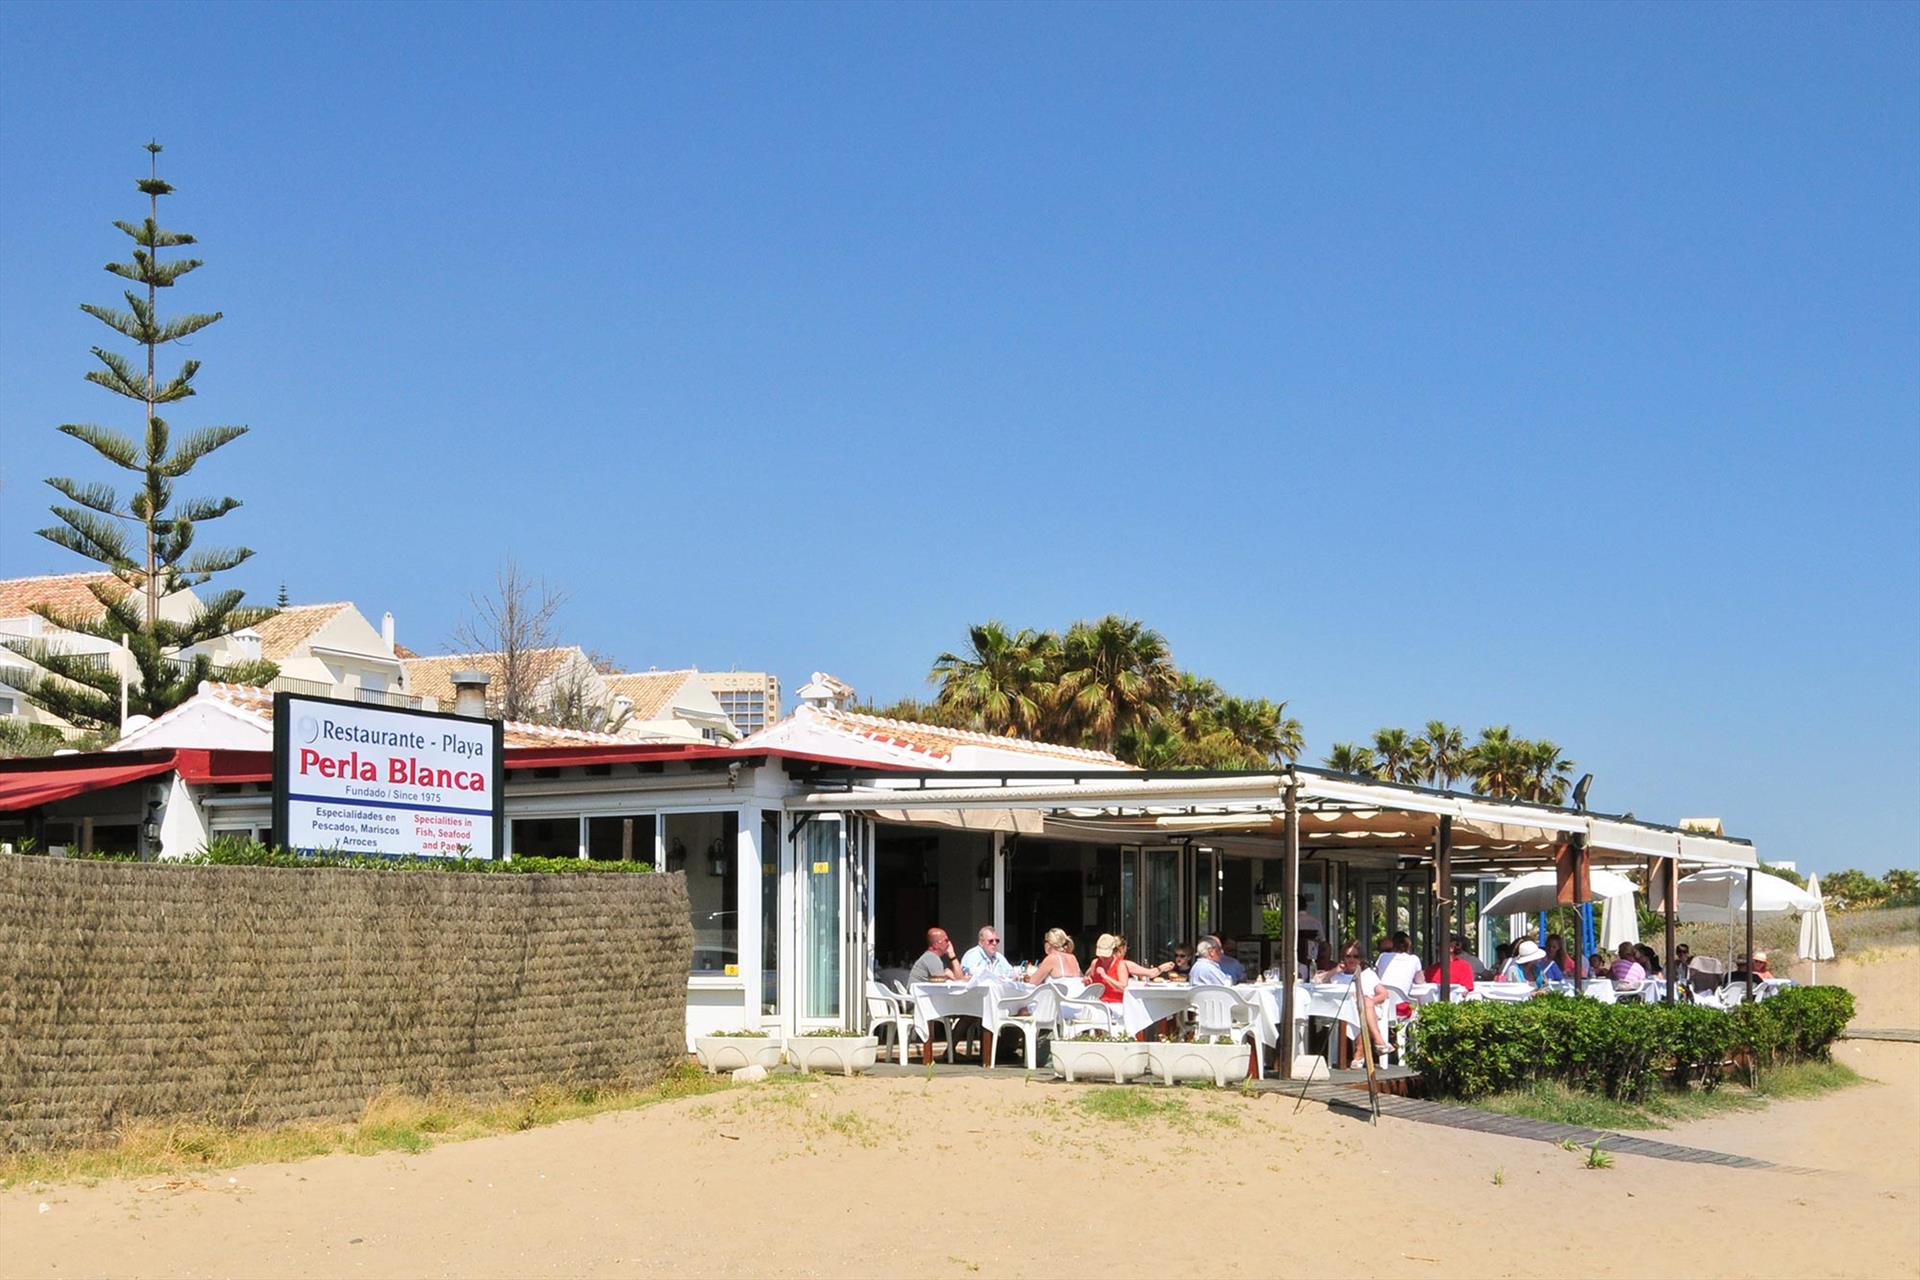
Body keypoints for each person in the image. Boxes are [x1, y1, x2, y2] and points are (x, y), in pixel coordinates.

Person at [1087, 933, 1173, 1003]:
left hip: (1115, 1004)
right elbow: (1089, 979)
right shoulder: (1095, 963)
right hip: (1098, 1003)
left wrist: (1105, 977)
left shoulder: (1121, 964)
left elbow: (1123, 988)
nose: (1102, 958)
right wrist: (1087, 980)